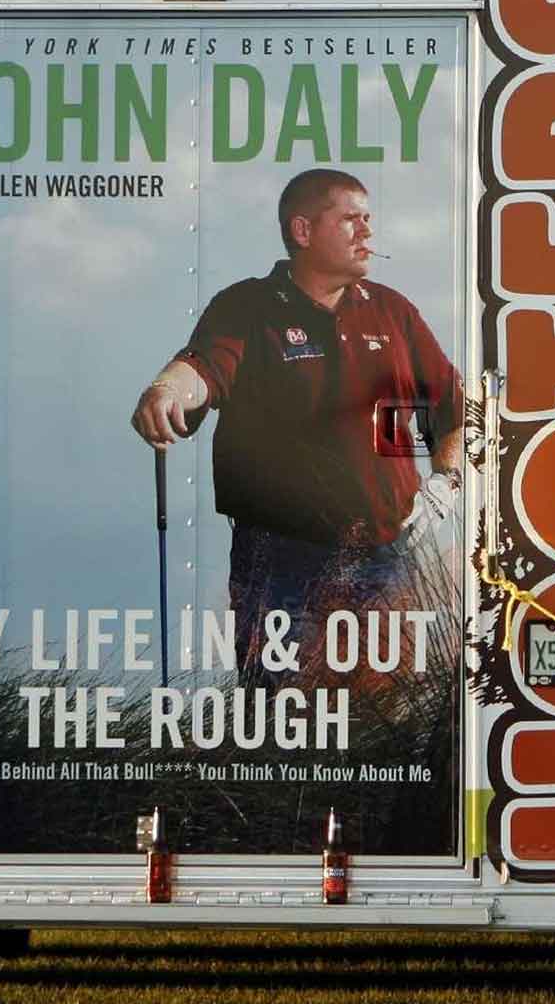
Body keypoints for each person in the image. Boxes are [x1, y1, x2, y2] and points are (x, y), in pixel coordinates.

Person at [130, 168, 461, 683]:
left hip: (387, 557)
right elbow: (200, 370)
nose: (367, 233)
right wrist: (165, 390)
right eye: (350, 220)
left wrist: (449, 483)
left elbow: (457, 410)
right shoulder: (247, 306)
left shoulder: (393, 312)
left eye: (368, 219)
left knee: (384, 724)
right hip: (282, 559)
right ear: (303, 231)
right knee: (281, 720)